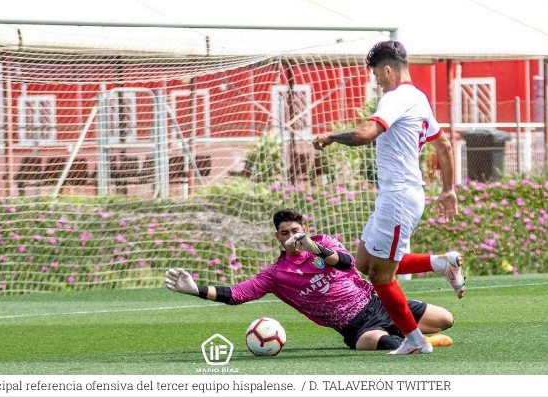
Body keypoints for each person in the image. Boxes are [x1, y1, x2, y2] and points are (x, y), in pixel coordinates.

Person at [311, 40, 464, 354]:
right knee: (366, 263)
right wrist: (448, 189)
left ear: (389, 69)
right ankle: (442, 263)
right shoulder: (418, 97)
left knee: (382, 277)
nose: (376, 82)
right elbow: (445, 146)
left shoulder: (396, 98)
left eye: (377, 75)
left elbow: (366, 134)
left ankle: (415, 341)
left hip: (398, 198)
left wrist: (331, 136)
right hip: (397, 197)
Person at [165, 209, 456, 352]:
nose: (289, 235)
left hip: (378, 306)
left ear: (304, 229)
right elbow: (238, 294)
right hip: (355, 327)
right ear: (277, 236)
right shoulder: (275, 274)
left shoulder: (324, 242)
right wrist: (195, 290)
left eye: (294, 230)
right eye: (283, 232)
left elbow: (346, 263)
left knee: (446, 318)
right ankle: (417, 340)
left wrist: (313, 248)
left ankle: (415, 334)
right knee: (387, 343)